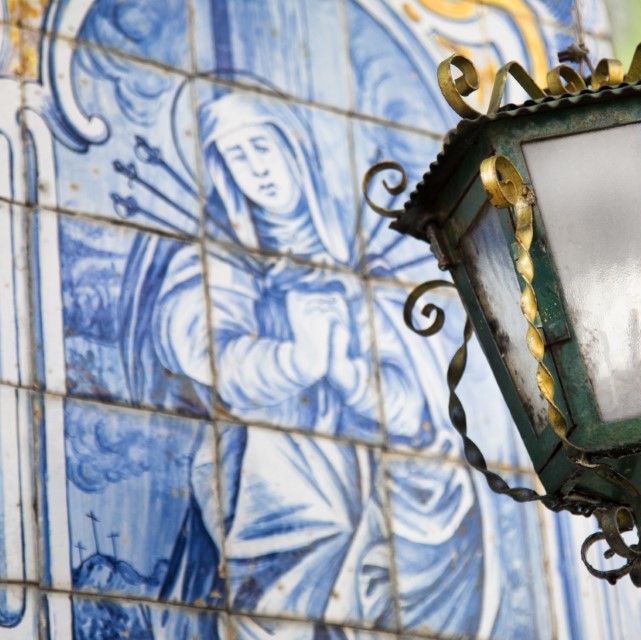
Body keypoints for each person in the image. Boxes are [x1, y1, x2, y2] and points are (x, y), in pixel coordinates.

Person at [120, 91, 499, 639]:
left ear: (292, 149)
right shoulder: (218, 266)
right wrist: (299, 358)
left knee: (427, 513)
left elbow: (408, 409)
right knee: (306, 519)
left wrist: (345, 373)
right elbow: (213, 354)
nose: (256, 169)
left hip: (382, 480)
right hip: (280, 475)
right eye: (235, 158)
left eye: (261, 147)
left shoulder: (360, 273)